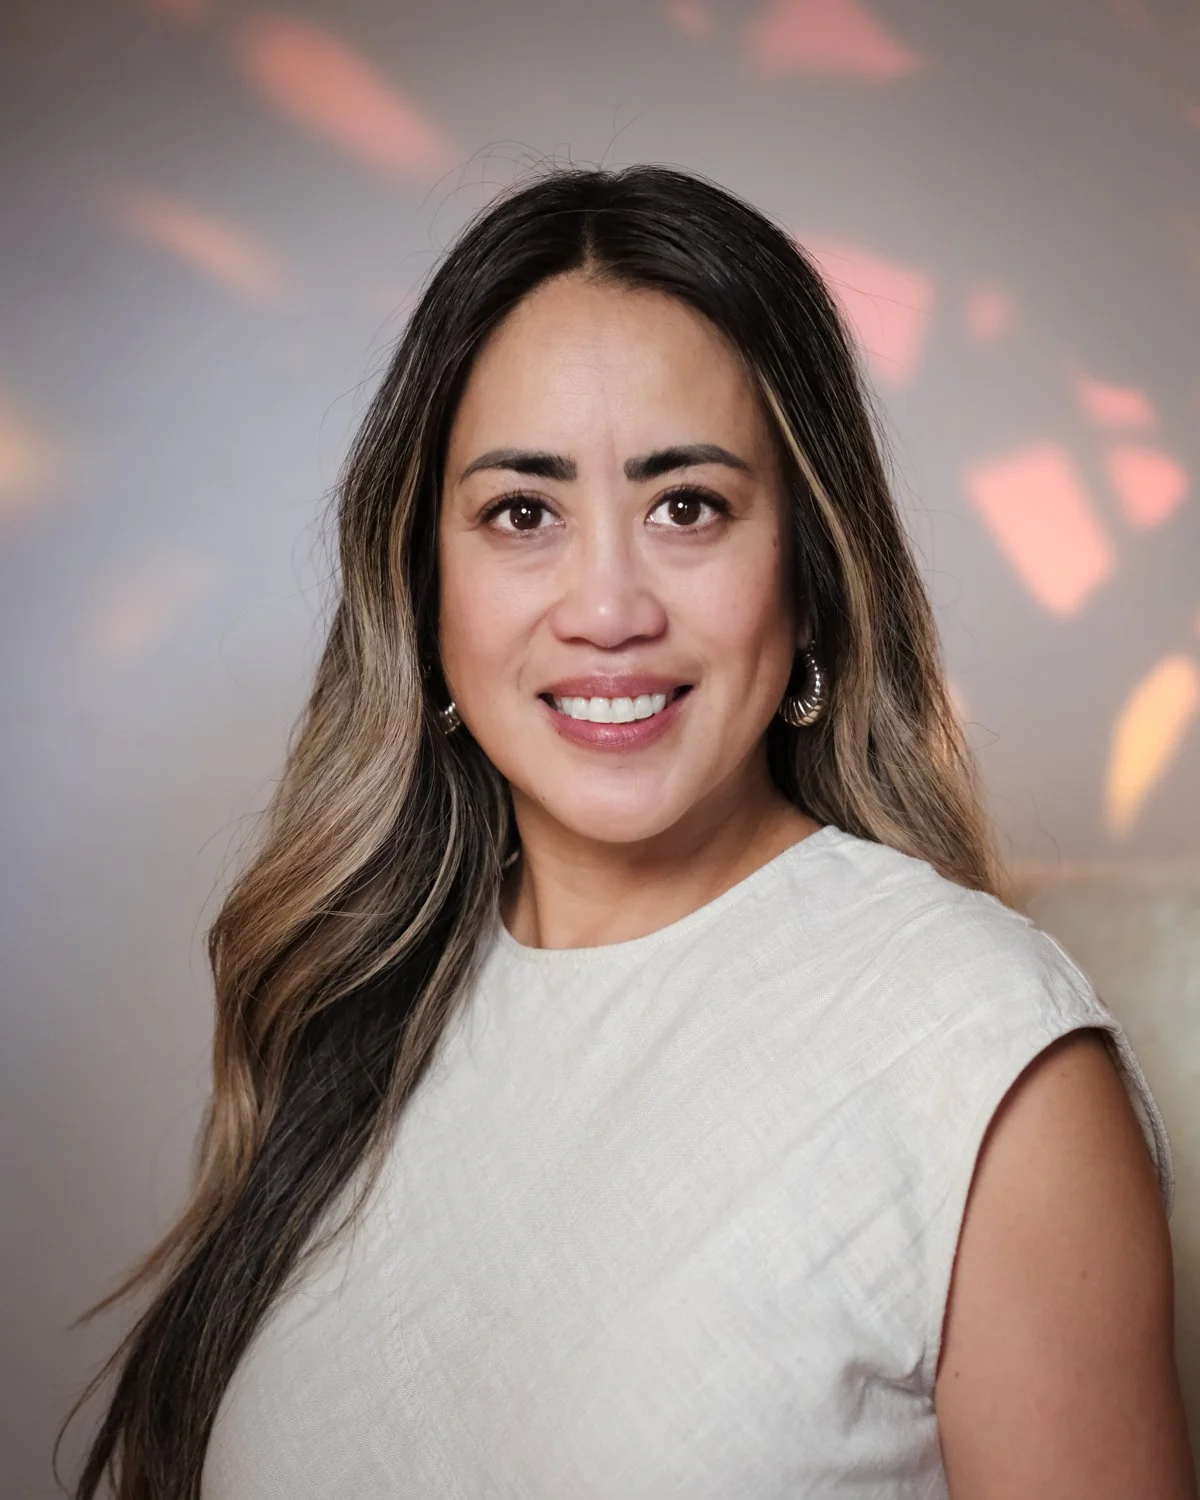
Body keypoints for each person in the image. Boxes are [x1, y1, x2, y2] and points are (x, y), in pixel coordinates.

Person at [69, 165, 1196, 1499]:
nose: (607, 607)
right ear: (424, 588)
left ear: (814, 572)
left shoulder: (985, 1058)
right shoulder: (337, 1006)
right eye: (522, 513)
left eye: (688, 505)